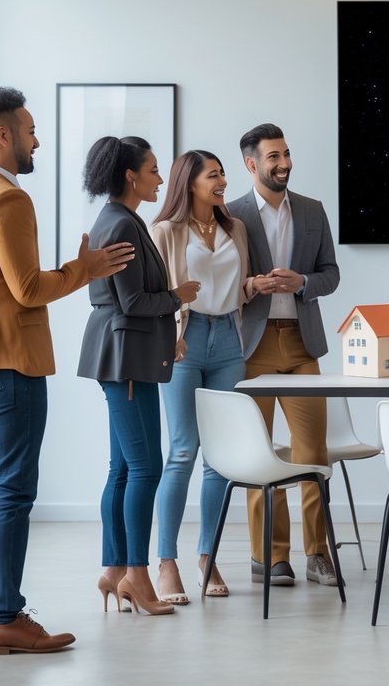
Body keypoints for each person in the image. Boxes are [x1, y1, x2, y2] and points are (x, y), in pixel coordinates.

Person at [0, 86, 134, 654]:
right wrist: (84, 267)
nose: (35, 141)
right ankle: (6, 616)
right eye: (28, 131)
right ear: (4, 135)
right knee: (13, 491)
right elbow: (27, 290)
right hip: (11, 364)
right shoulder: (9, 200)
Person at [77, 136, 200, 617]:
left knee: (123, 468)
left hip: (125, 356)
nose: (158, 179)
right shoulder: (122, 225)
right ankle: (137, 577)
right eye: (152, 170)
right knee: (145, 468)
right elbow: (133, 302)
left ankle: (113, 570)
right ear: (130, 175)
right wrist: (178, 295)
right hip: (126, 360)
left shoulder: (119, 220)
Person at [225, 122, 341, 587]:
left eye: (287, 154)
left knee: (313, 452)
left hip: (301, 343)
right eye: (273, 157)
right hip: (251, 346)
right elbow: (216, 282)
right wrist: (252, 285)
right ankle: (270, 556)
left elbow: (331, 273)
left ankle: (318, 553)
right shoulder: (229, 216)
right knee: (260, 454)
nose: (284, 163)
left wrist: (304, 284)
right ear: (252, 164)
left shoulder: (312, 211)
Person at [150, 151, 256, 603]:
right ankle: (166, 561)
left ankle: (206, 556)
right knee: (181, 450)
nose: (222, 182)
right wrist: (166, 336)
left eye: (222, 174)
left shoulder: (236, 229)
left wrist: (255, 285)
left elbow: (237, 286)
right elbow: (155, 295)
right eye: (213, 175)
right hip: (184, 339)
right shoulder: (166, 232)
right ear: (189, 183)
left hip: (229, 340)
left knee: (219, 455)